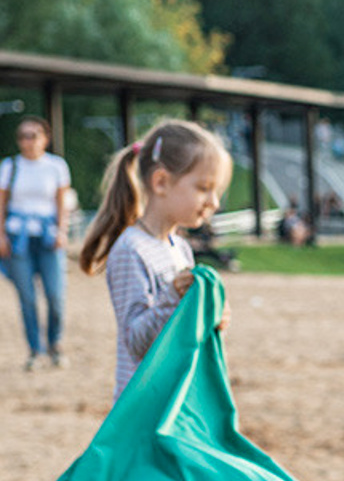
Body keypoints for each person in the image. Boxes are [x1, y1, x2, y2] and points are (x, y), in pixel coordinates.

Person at [79, 119, 233, 399]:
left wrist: (209, 316)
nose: (214, 202)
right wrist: (174, 294)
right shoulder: (131, 249)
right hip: (144, 405)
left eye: (217, 191)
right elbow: (137, 341)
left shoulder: (180, 247)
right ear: (161, 182)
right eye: (203, 188)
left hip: (175, 397)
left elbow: (179, 329)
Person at [0, 117, 72, 370]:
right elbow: (1, 203)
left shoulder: (56, 166)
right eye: (23, 136)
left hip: (48, 236)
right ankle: (35, 349)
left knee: (55, 295)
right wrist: (1, 235)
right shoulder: (9, 166)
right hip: (18, 237)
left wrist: (62, 231)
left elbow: (61, 202)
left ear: (45, 138)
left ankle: (55, 343)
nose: (27, 142)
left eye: (33, 135)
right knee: (27, 297)